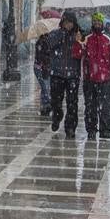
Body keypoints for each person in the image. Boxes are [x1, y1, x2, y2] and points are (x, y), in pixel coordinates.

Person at [40, 10, 83, 138]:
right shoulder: (56, 33)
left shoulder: (78, 35)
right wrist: (62, 34)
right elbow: (48, 44)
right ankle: (57, 116)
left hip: (73, 75)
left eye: (71, 22)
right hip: (57, 73)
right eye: (66, 22)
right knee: (56, 101)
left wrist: (79, 41)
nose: (68, 25)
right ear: (63, 22)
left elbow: (83, 52)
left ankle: (70, 127)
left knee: (72, 103)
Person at [82, 12, 110, 139]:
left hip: (104, 79)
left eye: (99, 21)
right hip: (90, 79)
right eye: (95, 21)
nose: (97, 23)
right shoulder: (87, 39)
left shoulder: (108, 39)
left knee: (105, 106)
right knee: (90, 106)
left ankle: (105, 130)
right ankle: (91, 129)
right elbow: (80, 54)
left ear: (102, 23)